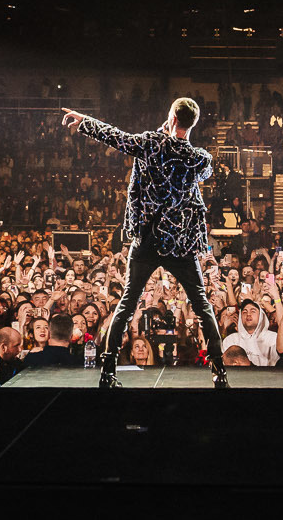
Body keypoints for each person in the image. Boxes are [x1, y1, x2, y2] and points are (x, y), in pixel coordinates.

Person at [61, 98, 228, 390]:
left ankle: (108, 372)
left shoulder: (151, 143)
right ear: (192, 123)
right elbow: (205, 171)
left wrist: (84, 121)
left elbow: (116, 136)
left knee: (126, 305)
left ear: (172, 117)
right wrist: (175, 135)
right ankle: (220, 373)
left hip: (148, 239)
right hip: (180, 242)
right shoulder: (198, 157)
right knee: (201, 305)